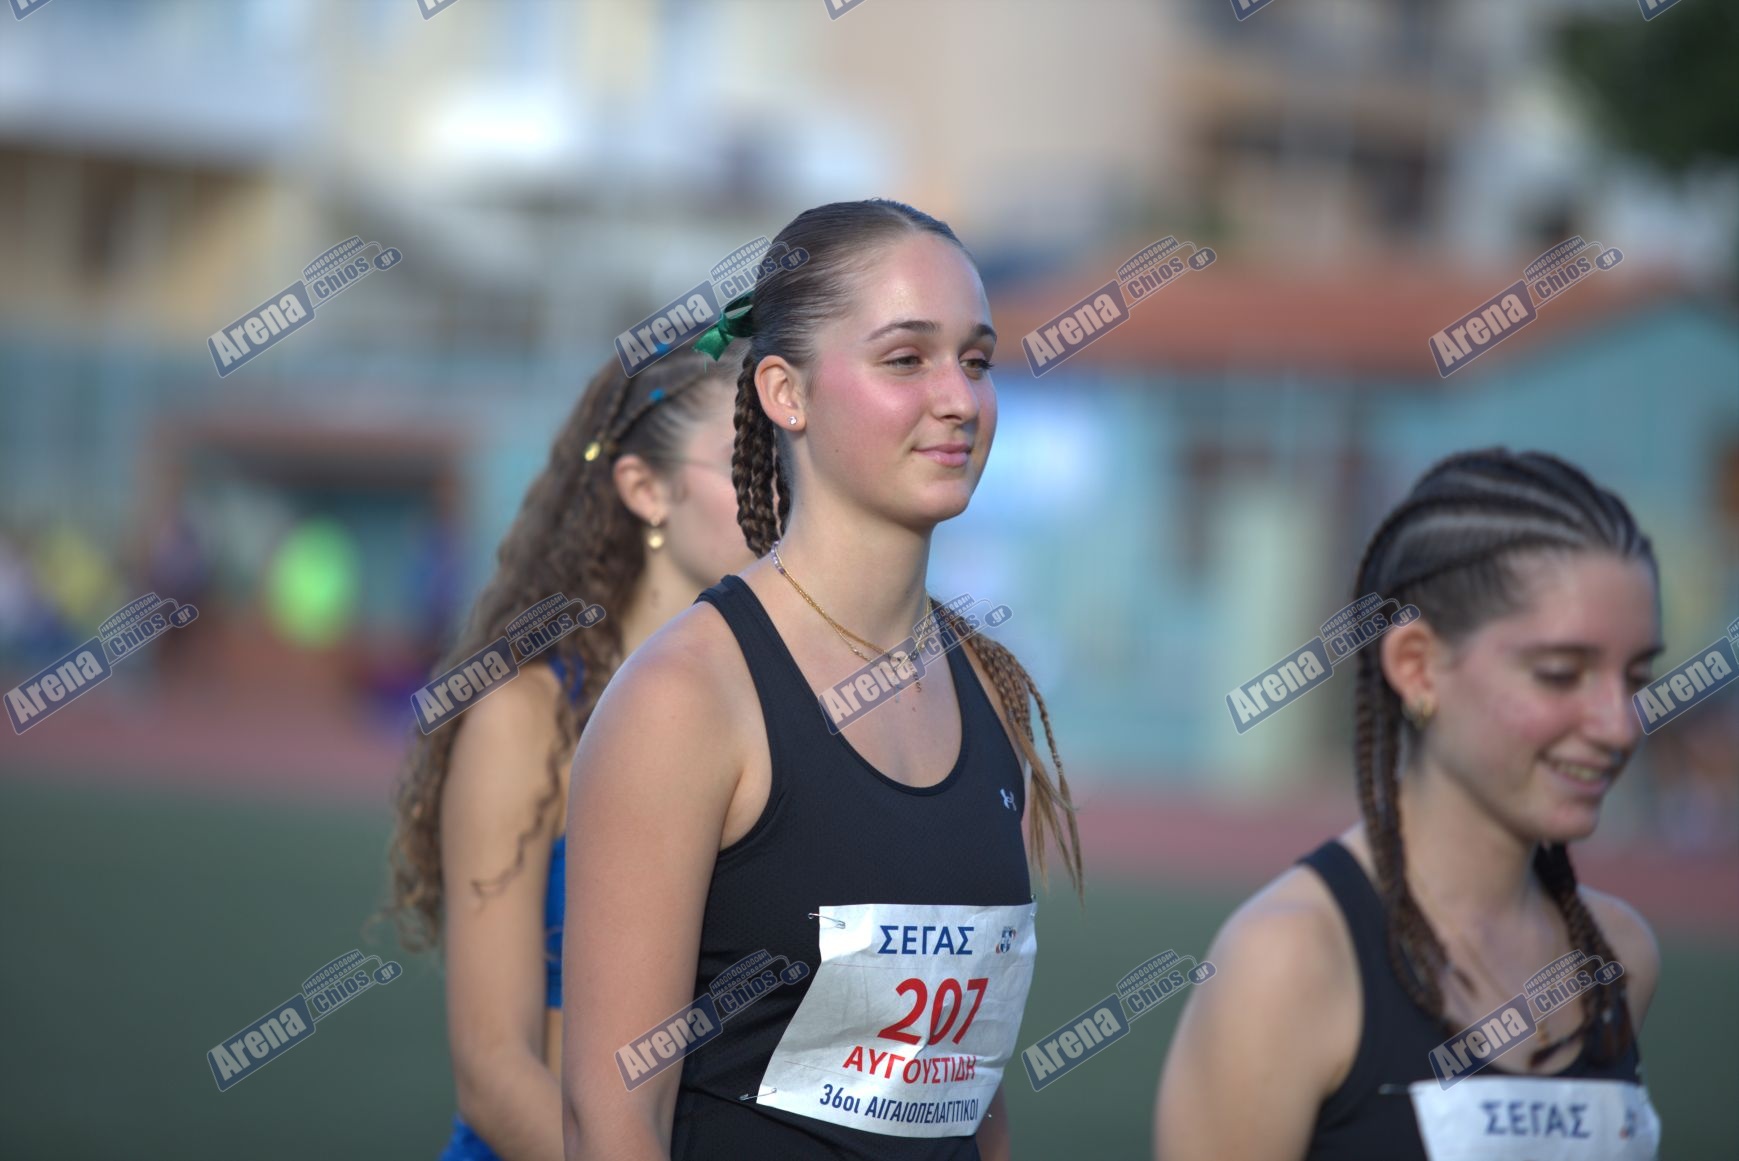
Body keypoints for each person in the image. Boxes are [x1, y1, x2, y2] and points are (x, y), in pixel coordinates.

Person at [560, 198, 1085, 1161]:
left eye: (975, 361)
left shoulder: (987, 686)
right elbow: (612, 1120)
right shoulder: (686, 698)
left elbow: (969, 1092)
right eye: (905, 358)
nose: (959, 399)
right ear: (784, 393)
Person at [1154, 449, 1665, 1160]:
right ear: (1416, 666)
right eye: (1559, 673)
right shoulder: (1288, 961)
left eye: (1636, 676)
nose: (1618, 724)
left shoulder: (1621, 955)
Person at [384, 341, 757, 1161]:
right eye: (743, 461)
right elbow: (491, 1072)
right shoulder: (524, 713)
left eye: (785, 460)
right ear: (644, 488)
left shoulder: (784, 706)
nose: (775, 491)